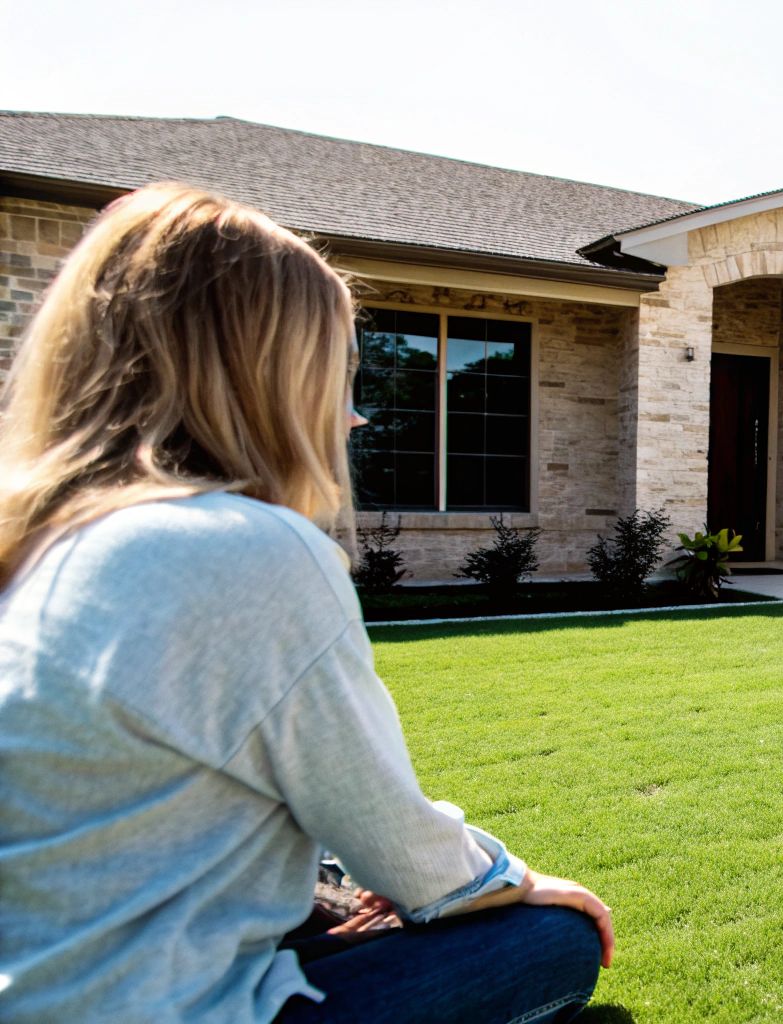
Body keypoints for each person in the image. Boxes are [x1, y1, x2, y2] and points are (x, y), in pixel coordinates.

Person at [0, 184, 613, 1023]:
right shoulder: (243, 549)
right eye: (337, 372)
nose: (356, 415)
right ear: (267, 381)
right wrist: (519, 879)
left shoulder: (39, 544)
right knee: (554, 941)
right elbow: (412, 857)